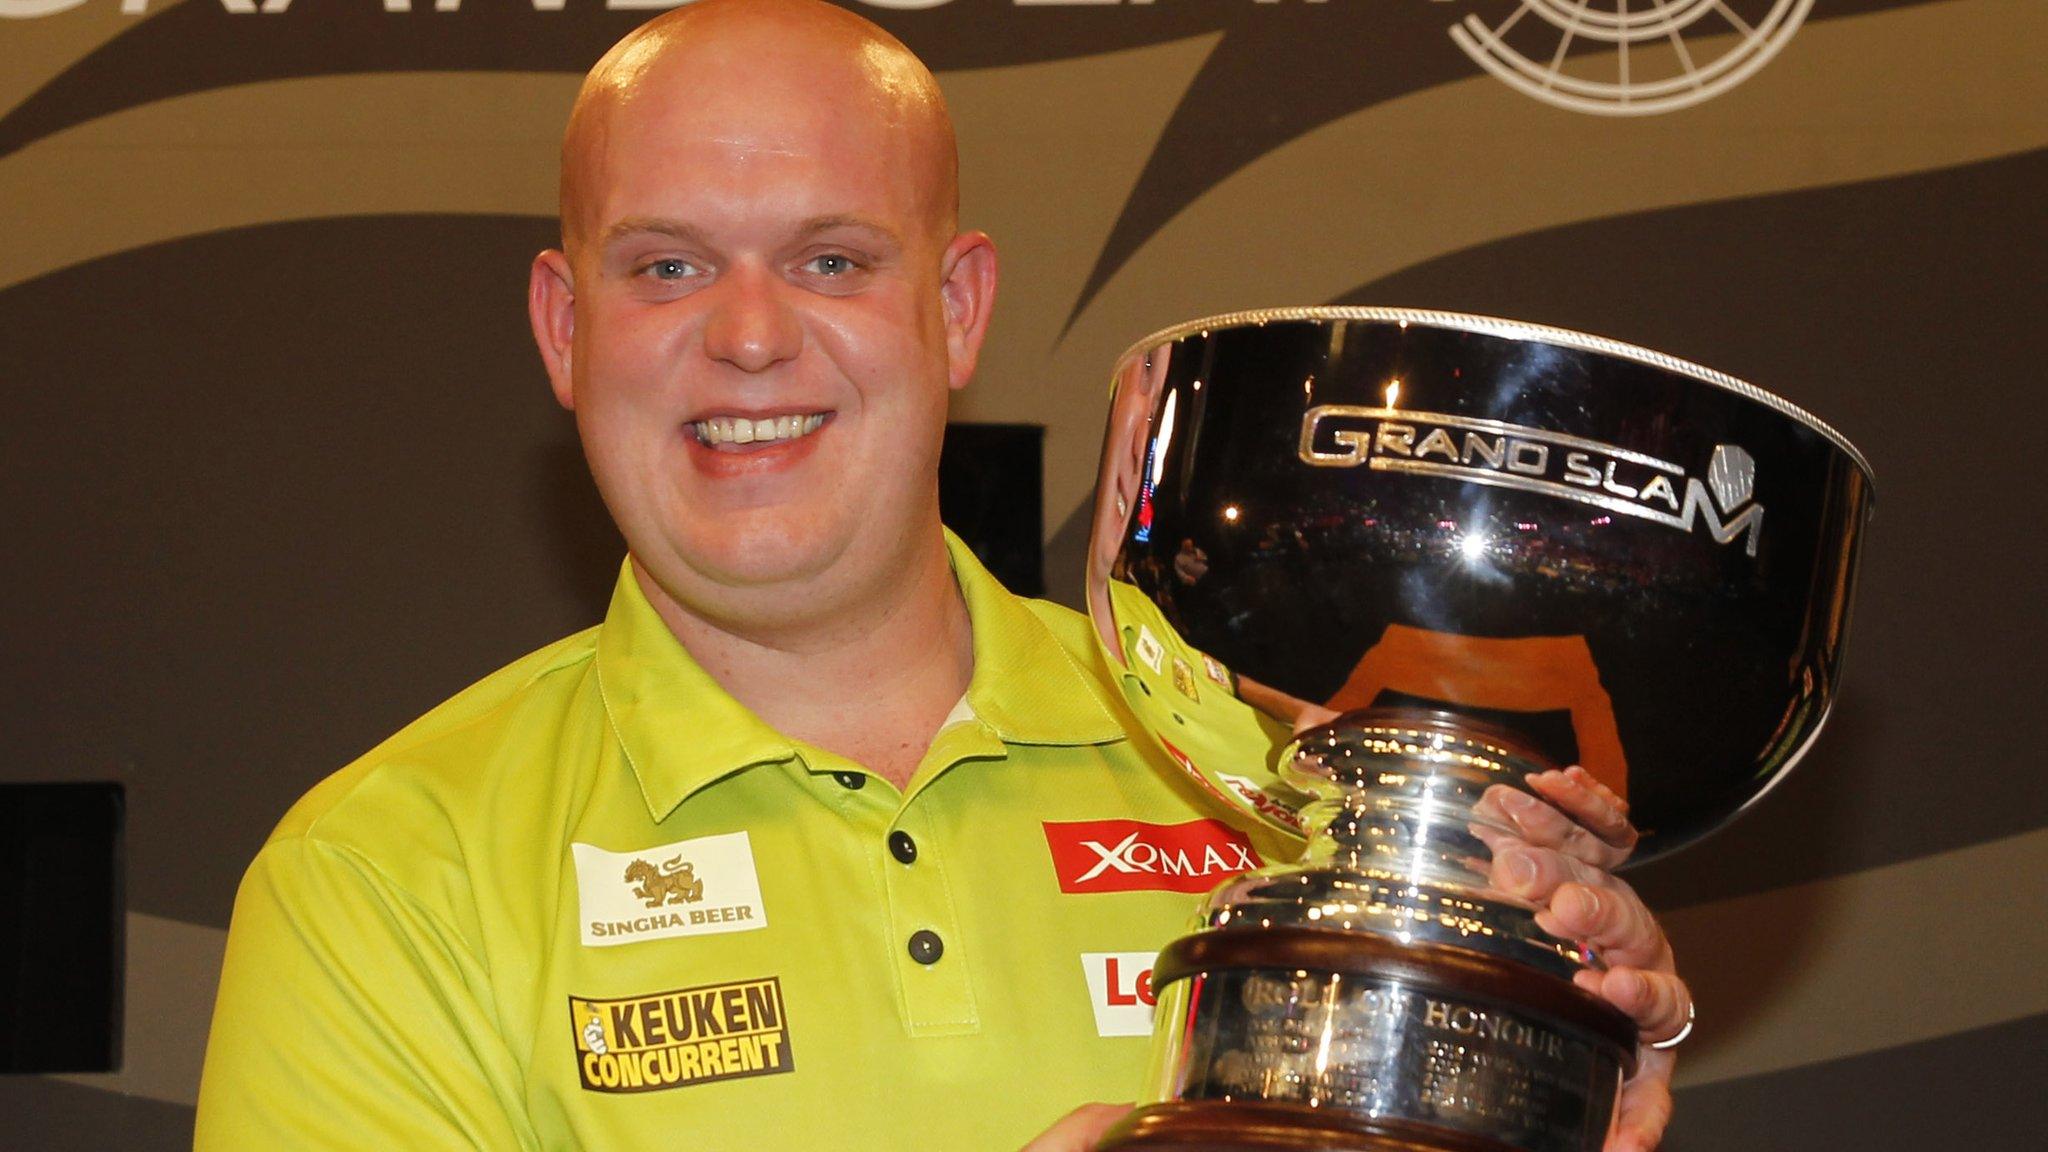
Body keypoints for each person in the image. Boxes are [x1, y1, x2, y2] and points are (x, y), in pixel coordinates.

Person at [194, 2, 1692, 1149]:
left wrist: (1559, 1057)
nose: (753, 336)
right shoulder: (386, 881)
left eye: (834, 260)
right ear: (562, 326)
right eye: (666, 267)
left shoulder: (1270, 776)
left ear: (957, 308)